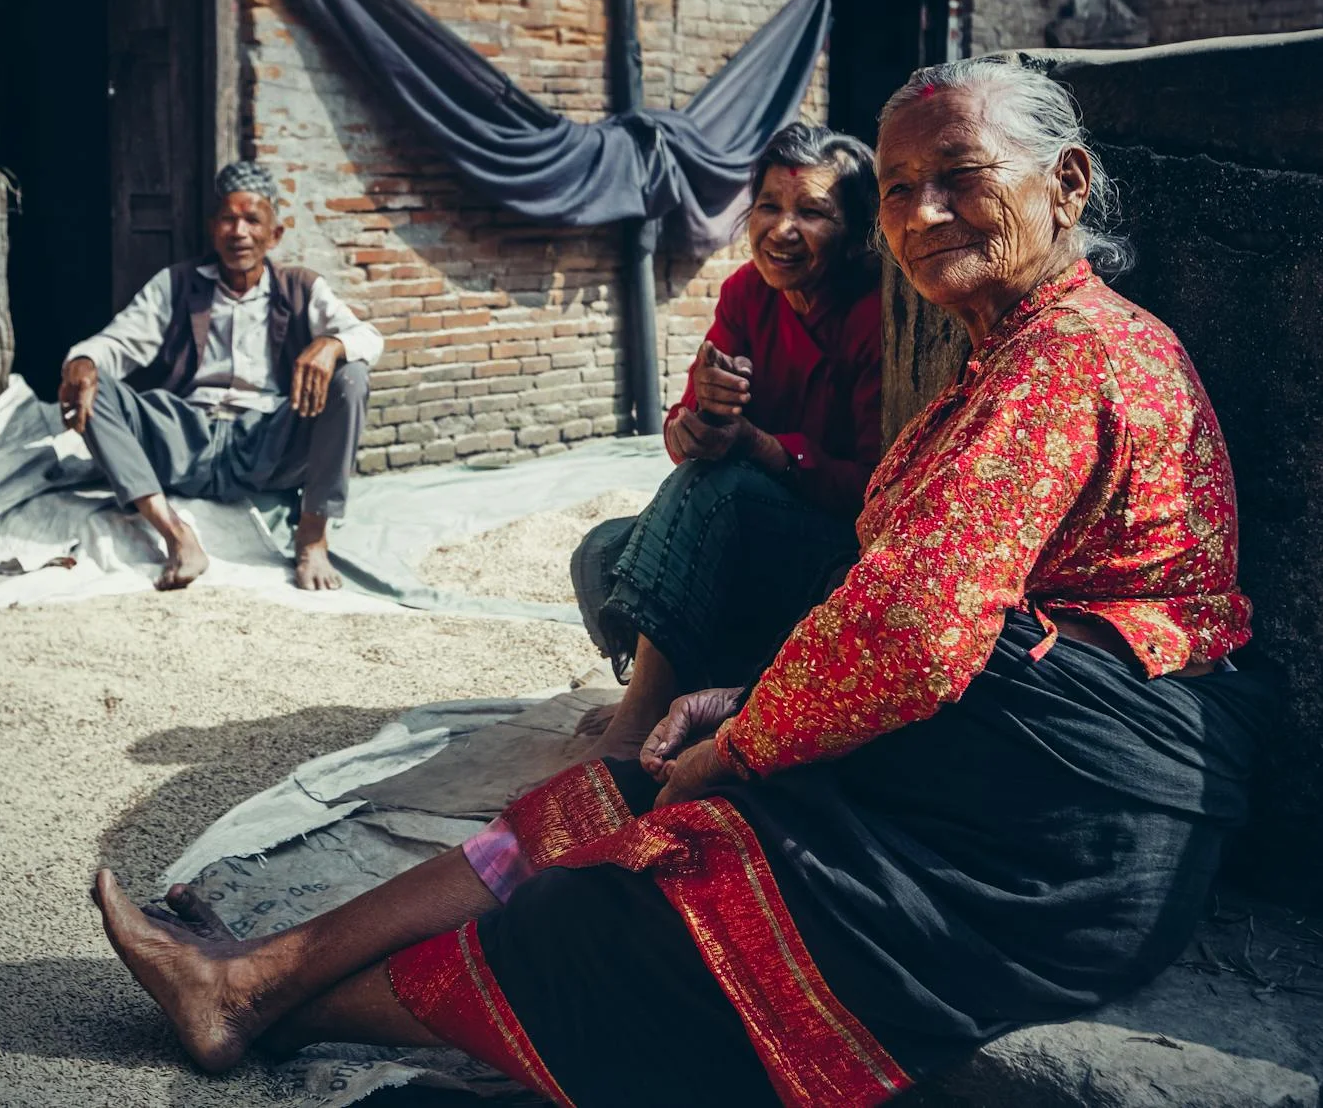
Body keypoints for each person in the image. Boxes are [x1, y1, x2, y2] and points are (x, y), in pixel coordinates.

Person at [90, 59, 1271, 1106]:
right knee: (614, 781)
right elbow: (899, 596)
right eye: (900, 187)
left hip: (1052, 847)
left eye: (958, 176)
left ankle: (269, 1001)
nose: (920, 213)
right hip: (996, 777)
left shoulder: (1060, 362)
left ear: (1064, 183)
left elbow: (913, 630)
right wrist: (748, 697)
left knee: (626, 894)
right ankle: (256, 974)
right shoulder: (1001, 350)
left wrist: (742, 743)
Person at [572, 123, 881, 759]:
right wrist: (695, 425)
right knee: (600, 553)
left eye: (812, 212)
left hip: (827, 551)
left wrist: (763, 447)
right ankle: (678, 692)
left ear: (855, 233)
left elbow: (871, 487)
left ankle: (639, 721)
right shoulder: (746, 292)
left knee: (719, 487)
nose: (782, 230)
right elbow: (687, 429)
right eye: (769, 206)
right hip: (741, 534)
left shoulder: (873, 316)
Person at [58, 162, 383, 591]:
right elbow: (120, 341)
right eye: (228, 219)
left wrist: (332, 345)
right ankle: (176, 535)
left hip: (266, 441)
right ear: (213, 229)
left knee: (352, 377)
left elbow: (369, 338)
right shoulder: (176, 283)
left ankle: (311, 537)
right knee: (92, 385)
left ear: (274, 235)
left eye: (252, 220)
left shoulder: (301, 287)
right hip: (186, 437)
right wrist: (83, 360)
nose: (239, 232)